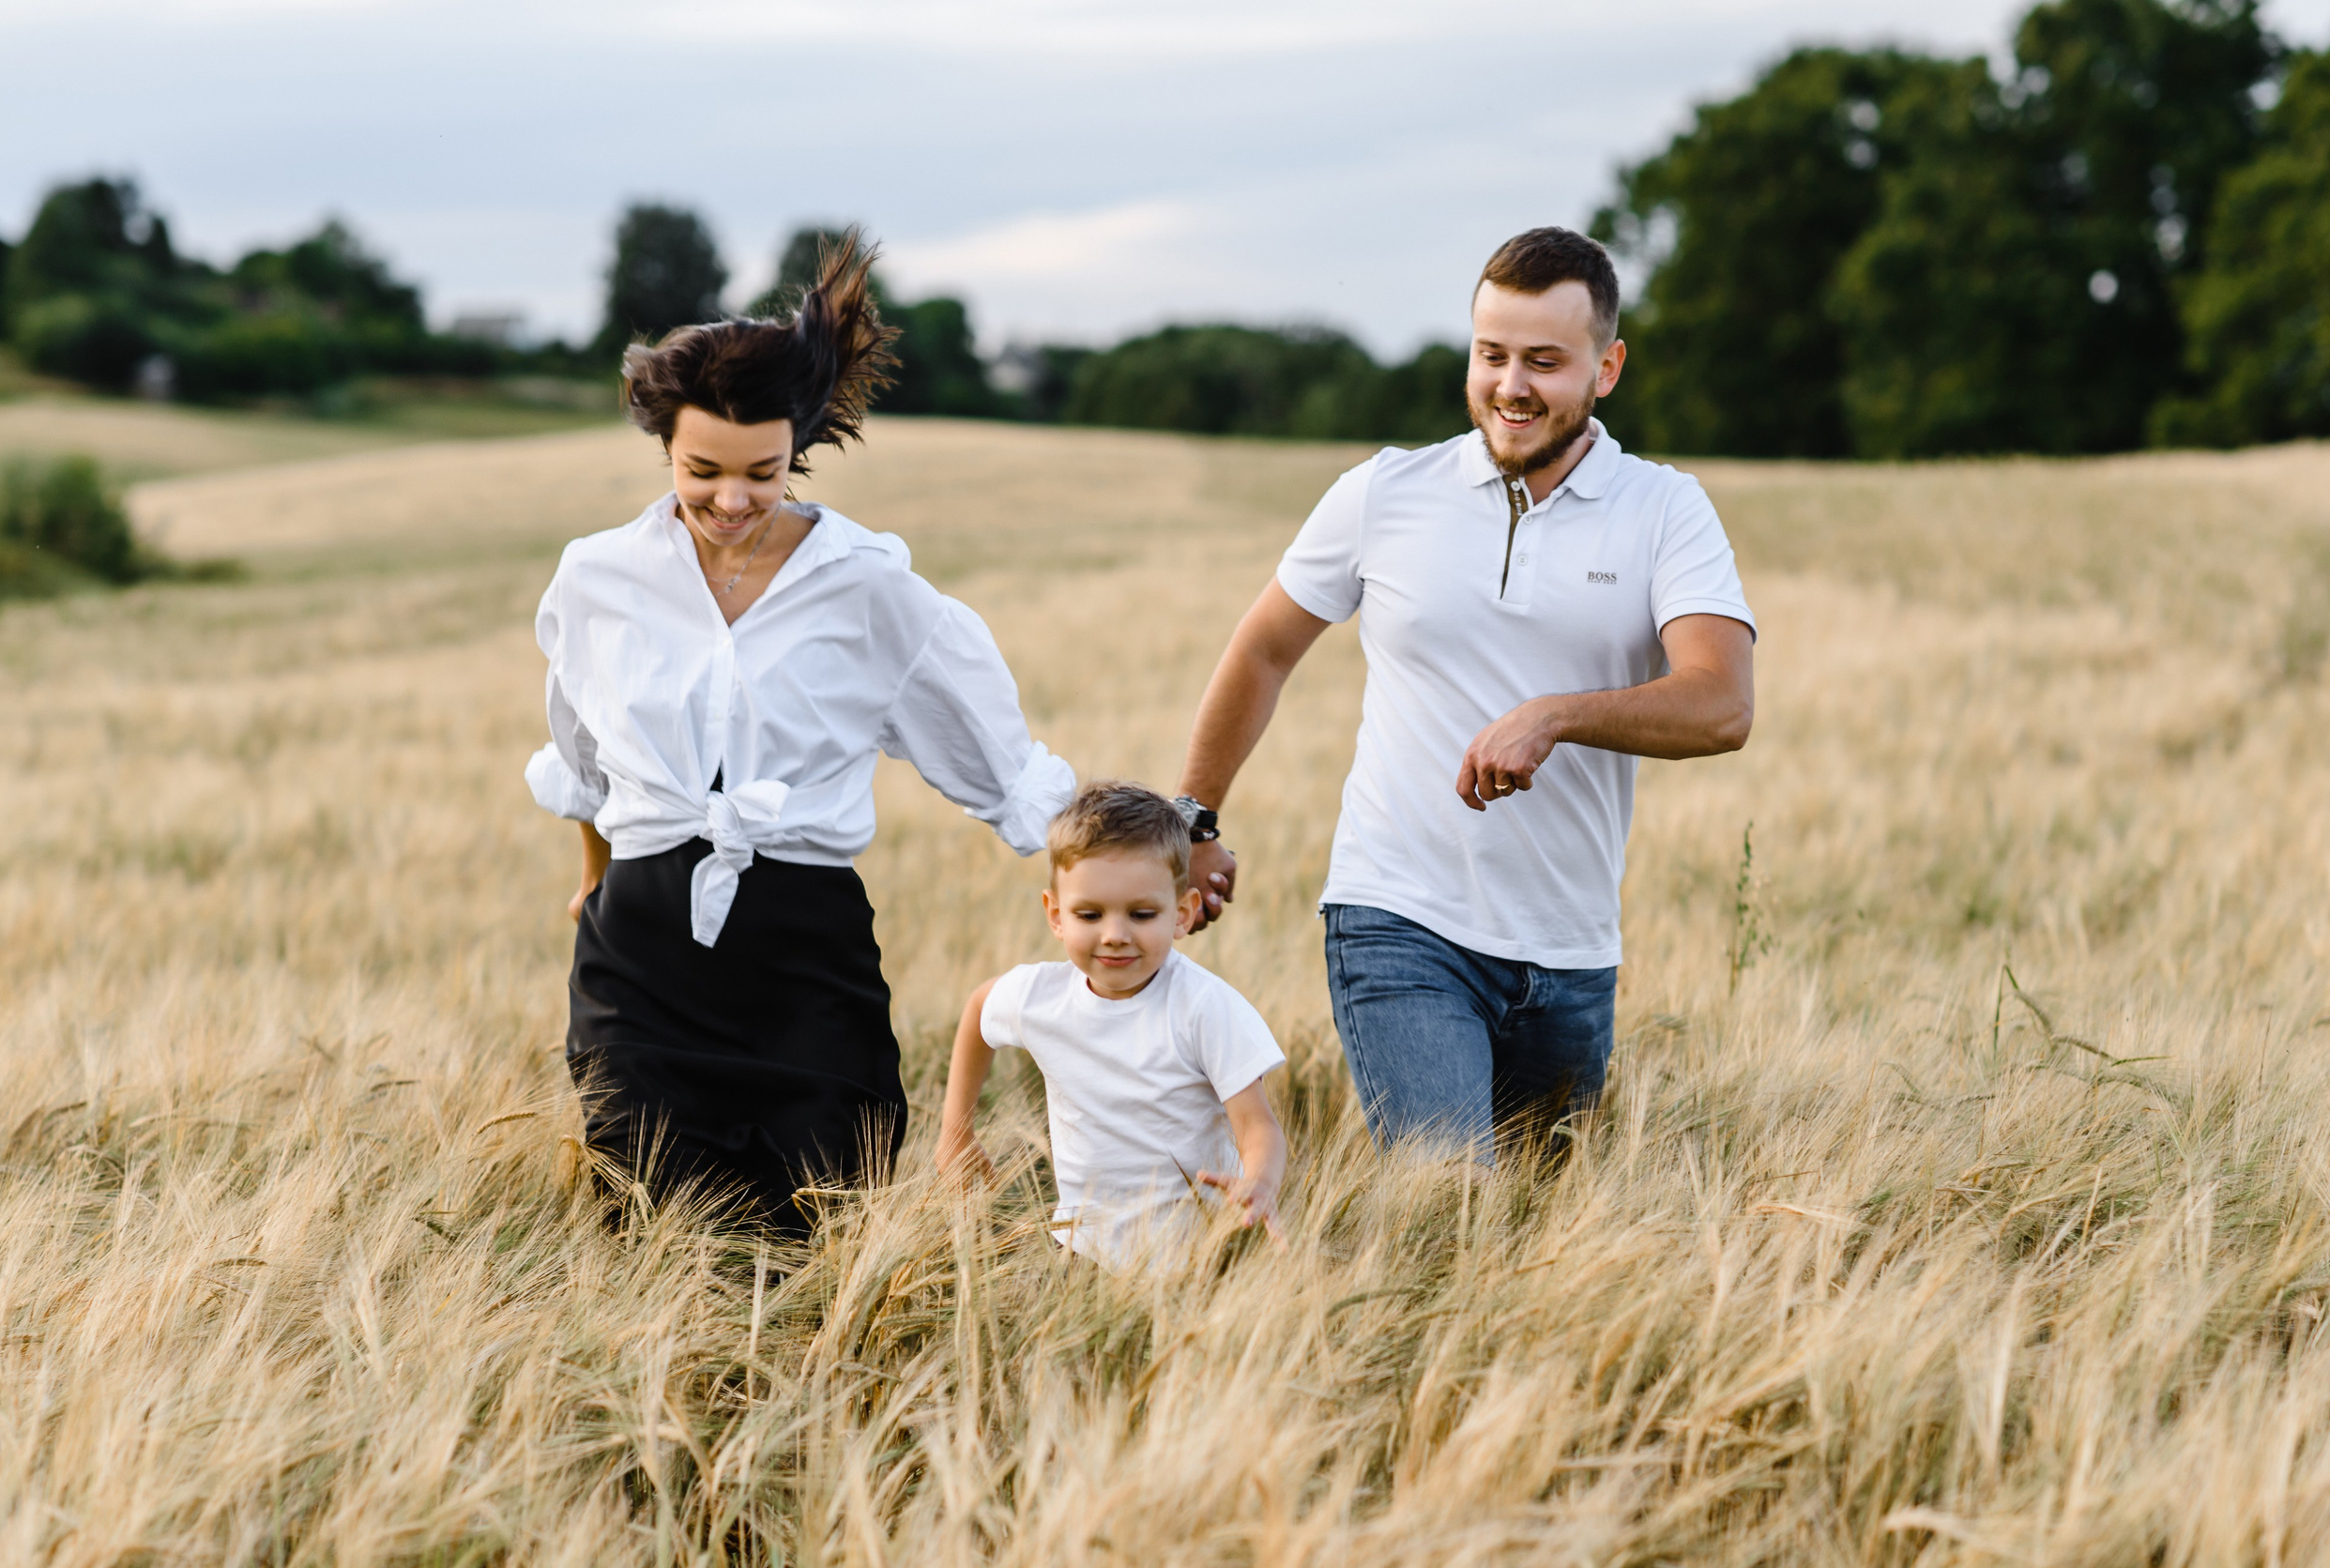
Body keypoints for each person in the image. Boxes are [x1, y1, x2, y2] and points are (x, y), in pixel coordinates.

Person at [525, 236, 1075, 1233]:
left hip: (802, 938)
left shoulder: (865, 582)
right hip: (643, 941)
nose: (731, 501)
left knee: (822, 1200)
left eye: (761, 472)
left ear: (800, 445)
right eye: (702, 471)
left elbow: (998, 762)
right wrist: (594, 873)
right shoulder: (596, 579)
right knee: (643, 1209)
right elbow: (583, 760)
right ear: (662, 444)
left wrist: (1146, 855)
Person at [1175, 227, 1756, 1164]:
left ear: (1605, 368)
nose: (1510, 385)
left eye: (1543, 361)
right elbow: (1263, 650)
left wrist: (1555, 714)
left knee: (1533, 1242)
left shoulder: (1664, 509)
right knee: (1444, 1204)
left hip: (1570, 949)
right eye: (1491, 355)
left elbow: (1722, 703)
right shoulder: (1384, 491)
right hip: (1397, 919)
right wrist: (1191, 817)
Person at [935, 781, 1287, 1269]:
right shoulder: (1041, 998)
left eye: (1142, 914)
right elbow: (979, 1009)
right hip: (1079, 1254)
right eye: (1089, 914)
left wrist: (1261, 1181)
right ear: (1056, 915)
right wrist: (956, 1132)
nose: (1115, 935)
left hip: (1199, 1258)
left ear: (1182, 913)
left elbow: (1257, 1126)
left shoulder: (1205, 1008)